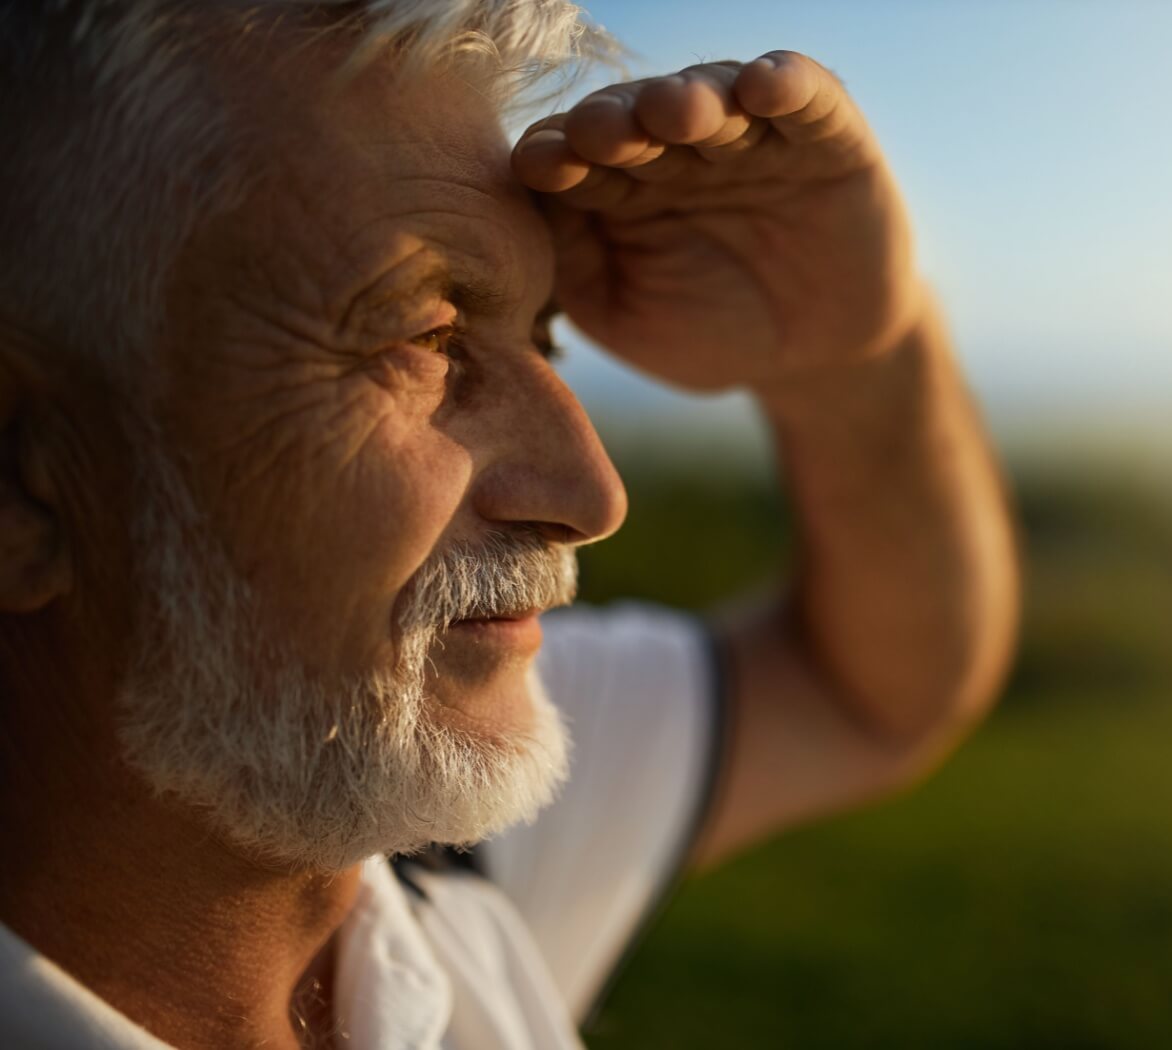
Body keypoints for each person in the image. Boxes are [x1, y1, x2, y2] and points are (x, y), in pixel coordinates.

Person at [0, 1, 1019, 1046]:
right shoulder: (407, 782)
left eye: (545, 339)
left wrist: (853, 361)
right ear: (22, 482)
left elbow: (872, 687)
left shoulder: (437, 825)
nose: (592, 496)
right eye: (423, 339)